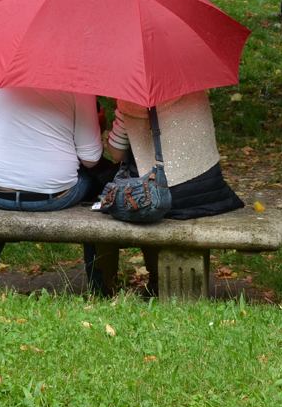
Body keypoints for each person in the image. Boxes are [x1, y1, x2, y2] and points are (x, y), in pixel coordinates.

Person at [0, 79, 111, 290]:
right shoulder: (79, 81)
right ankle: (99, 284)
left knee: (6, 177)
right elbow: (90, 158)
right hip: (53, 196)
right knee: (97, 183)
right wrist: (98, 127)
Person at [104, 90, 244, 293]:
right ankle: (167, 283)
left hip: (165, 198)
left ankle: (156, 281)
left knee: (140, 197)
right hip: (210, 191)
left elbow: (116, 154)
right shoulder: (194, 86)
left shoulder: (130, 97)